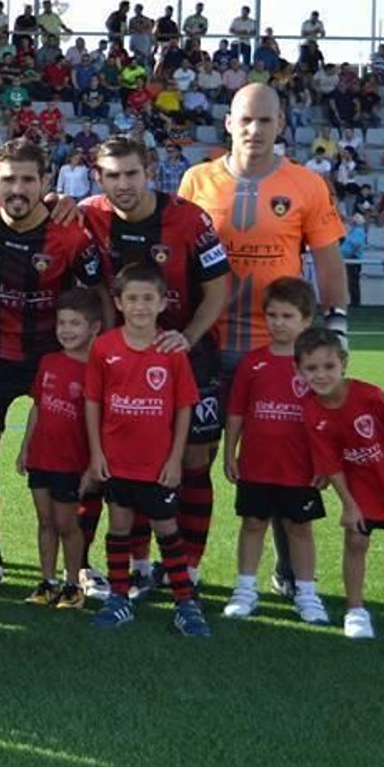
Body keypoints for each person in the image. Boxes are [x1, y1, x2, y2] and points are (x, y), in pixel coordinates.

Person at [179, 82, 349, 599]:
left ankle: (288, 569)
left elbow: (327, 264)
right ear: (228, 123)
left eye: (265, 121)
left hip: (278, 352)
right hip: (206, 348)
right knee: (195, 458)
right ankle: (186, 564)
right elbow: (176, 250)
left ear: (281, 125)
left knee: (285, 459)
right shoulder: (197, 179)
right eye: (245, 120)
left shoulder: (307, 185)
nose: (255, 130)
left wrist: (336, 335)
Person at [0, 139, 105, 597]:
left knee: (79, 459)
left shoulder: (71, 234)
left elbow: (98, 294)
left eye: (28, 180)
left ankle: (82, 565)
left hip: (49, 357)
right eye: (8, 179)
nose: (17, 189)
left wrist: (106, 354)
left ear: (45, 182)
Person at [82, 136, 231, 588]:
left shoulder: (188, 218)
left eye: (131, 173)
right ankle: (142, 563)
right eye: (112, 175)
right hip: (124, 356)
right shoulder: (90, 214)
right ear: (98, 177)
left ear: (148, 171)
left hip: (188, 352)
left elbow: (219, 289)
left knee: (192, 460)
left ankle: (189, 563)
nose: (123, 183)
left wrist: (185, 339)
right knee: (130, 457)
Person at [84, 264, 209, 636]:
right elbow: (93, 402)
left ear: (161, 303)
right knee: (119, 525)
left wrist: (174, 459)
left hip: (157, 464)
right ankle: (119, 598)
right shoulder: (104, 347)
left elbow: (185, 405)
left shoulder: (171, 350)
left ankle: (185, 602)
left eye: (148, 299)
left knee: (167, 528)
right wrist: (96, 453)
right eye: (132, 299)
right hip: (115, 459)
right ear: (119, 303)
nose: (140, 306)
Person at [297, 328, 384, 638]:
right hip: (361, 492)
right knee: (356, 542)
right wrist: (349, 505)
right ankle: (356, 610)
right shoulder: (311, 411)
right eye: (311, 368)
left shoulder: (371, 397)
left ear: (344, 364)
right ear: (299, 371)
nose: (321, 375)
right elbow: (330, 463)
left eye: (329, 367)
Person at [219, 278, 329, 625]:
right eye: (272, 315)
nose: (279, 322)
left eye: (287, 315)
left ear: (306, 319)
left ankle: (306, 593)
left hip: (300, 467)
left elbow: (328, 418)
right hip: (257, 463)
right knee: (252, 523)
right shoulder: (253, 363)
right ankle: (245, 589)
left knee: (299, 527)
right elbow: (236, 411)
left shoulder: (316, 367)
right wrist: (229, 453)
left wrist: (326, 461)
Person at [15, 289, 101, 609]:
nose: (66, 330)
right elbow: (37, 407)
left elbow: (100, 423)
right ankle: (47, 582)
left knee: (68, 525)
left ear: (94, 328)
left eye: (75, 324)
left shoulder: (97, 369)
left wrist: (93, 464)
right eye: (62, 323)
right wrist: (25, 448)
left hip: (71, 463)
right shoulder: (49, 361)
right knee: (45, 522)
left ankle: (72, 584)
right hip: (41, 458)